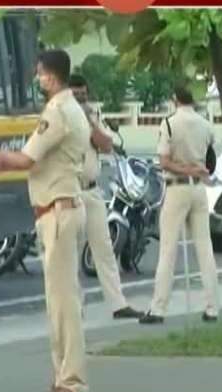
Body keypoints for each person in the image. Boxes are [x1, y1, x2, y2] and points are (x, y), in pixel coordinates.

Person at [0, 51, 89, 392]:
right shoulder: (71, 109)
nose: (37, 79)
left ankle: (72, 383)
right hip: (56, 210)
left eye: (40, 74)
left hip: (59, 211)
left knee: (64, 304)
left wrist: (0, 157)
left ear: (51, 76)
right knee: (58, 302)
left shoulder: (58, 112)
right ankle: (62, 377)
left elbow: (27, 158)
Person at [140, 86, 220, 324]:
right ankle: (213, 307)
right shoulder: (206, 125)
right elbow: (210, 158)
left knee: (168, 250)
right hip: (198, 189)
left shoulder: (170, 124)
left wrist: (187, 168)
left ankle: (158, 308)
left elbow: (164, 162)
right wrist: (197, 170)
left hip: (177, 188)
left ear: (175, 100)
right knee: (205, 249)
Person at [69, 74, 144, 320]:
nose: (80, 99)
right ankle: (73, 307)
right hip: (70, 191)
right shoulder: (62, 116)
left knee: (104, 249)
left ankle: (118, 303)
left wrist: (89, 121)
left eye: (83, 94)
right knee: (71, 252)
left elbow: (105, 145)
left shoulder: (93, 116)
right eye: (75, 95)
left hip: (92, 190)